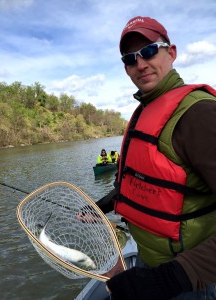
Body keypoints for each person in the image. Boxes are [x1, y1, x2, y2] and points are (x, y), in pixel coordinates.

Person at [94, 16, 216, 300]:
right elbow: (149, 180)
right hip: (150, 265)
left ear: (171, 52)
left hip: (187, 281)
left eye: (149, 51)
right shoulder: (144, 111)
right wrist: (107, 203)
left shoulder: (200, 115)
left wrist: (170, 279)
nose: (140, 64)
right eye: (129, 59)